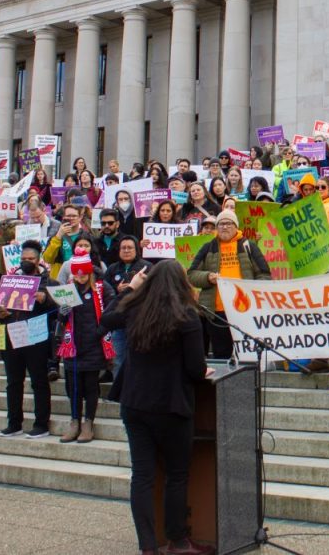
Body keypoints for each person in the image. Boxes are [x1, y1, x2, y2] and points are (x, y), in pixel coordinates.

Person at [100, 261, 214, 555]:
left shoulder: (135, 309)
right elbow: (194, 368)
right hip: (171, 407)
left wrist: (129, 290)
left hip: (135, 404)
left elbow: (106, 318)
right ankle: (177, 541)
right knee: (177, 475)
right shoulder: (187, 315)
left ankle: (148, 547)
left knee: (142, 475)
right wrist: (204, 372)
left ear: (148, 282)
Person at [187, 210, 271, 359]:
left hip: (245, 311)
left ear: (236, 226)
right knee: (221, 356)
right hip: (216, 313)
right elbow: (191, 275)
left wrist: (254, 292)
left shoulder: (248, 246)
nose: (224, 227)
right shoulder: (208, 247)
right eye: (221, 224)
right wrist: (208, 277)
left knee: (248, 357)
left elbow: (264, 274)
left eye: (228, 223)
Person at [56, 249, 115, 443]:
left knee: (90, 386)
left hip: (94, 345)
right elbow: (61, 319)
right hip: (72, 345)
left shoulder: (101, 288)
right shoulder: (68, 288)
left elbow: (112, 311)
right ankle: (75, 422)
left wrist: (100, 332)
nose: (80, 277)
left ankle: (88, 423)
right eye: (76, 273)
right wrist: (63, 311)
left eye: (83, 273)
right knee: (73, 386)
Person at [0, 240, 52, 439]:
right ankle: (14, 423)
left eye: (30, 259)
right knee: (13, 382)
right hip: (12, 334)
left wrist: (45, 299)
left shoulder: (47, 281)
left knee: (39, 382)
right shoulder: (9, 280)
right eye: (23, 259)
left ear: (38, 260)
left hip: (36, 338)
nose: (26, 262)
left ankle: (41, 424)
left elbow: (58, 307)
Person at [104, 235, 149, 378]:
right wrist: (116, 290)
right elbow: (103, 290)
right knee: (119, 359)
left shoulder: (147, 266)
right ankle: (120, 395)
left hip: (140, 321)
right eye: (123, 248)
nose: (126, 250)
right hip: (118, 321)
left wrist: (135, 288)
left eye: (130, 247)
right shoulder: (112, 268)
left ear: (136, 249)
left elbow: (153, 291)